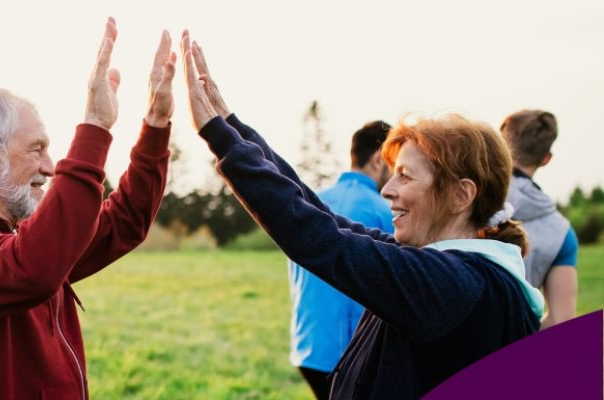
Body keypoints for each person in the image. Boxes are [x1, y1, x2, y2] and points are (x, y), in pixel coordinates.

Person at [179, 31, 541, 398]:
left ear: (461, 194)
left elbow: (321, 239)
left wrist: (217, 135)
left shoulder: (451, 285)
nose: (387, 189)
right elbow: (325, 218)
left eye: (406, 176)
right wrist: (232, 129)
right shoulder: (453, 271)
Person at [0, 18, 174, 399]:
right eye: (36, 149)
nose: (51, 166)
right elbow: (32, 269)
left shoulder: (17, 240)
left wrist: (155, 126)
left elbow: (123, 223)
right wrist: (94, 127)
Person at [287, 121, 394, 399]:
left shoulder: (311, 202)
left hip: (307, 345)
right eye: (394, 163)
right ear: (377, 160)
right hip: (350, 351)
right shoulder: (386, 212)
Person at [500, 109, 578, 329]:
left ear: (500, 145)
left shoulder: (465, 198)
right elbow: (560, 322)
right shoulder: (562, 233)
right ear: (546, 159)